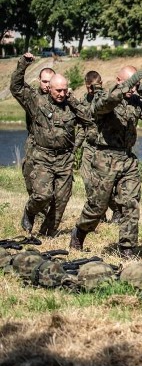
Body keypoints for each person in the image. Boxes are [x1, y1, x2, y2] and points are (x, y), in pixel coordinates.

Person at [69, 66, 142, 258]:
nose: (132, 88)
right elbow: (103, 105)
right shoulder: (103, 95)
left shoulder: (135, 99)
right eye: (129, 83)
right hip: (105, 159)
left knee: (130, 203)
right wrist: (126, 87)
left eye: (135, 84)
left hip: (127, 159)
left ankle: (127, 248)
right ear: (119, 80)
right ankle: (80, 231)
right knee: (98, 206)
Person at [11, 53, 90, 237]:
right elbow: (16, 87)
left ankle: (47, 234)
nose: (61, 94)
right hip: (43, 157)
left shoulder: (71, 104)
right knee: (42, 195)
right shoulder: (37, 101)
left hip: (64, 158)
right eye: (58, 91)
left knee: (61, 200)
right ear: (49, 89)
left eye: (64, 90)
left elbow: (88, 119)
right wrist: (23, 64)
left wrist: (72, 100)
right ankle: (29, 212)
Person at [78, 70, 121, 224]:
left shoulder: (107, 99)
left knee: (105, 185)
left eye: (95, 87)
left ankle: (116, 210)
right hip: (89, 146)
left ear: (101, 84)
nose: (92, 91)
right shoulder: (83, 100)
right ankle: (98, 214)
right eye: (90, 88)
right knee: (88, 182)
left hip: (104, 148)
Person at [17, 62, 55, 232]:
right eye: (44, 81)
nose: (47, 85)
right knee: (32, 183)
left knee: (53, 190)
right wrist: (23, 65)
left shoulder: (60, 97)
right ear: (39, 80)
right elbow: (16, 86)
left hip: (55, 150)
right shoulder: (32, 97)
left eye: (50, 81)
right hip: (35, 145)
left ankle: (47, 222)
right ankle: (33, 213)